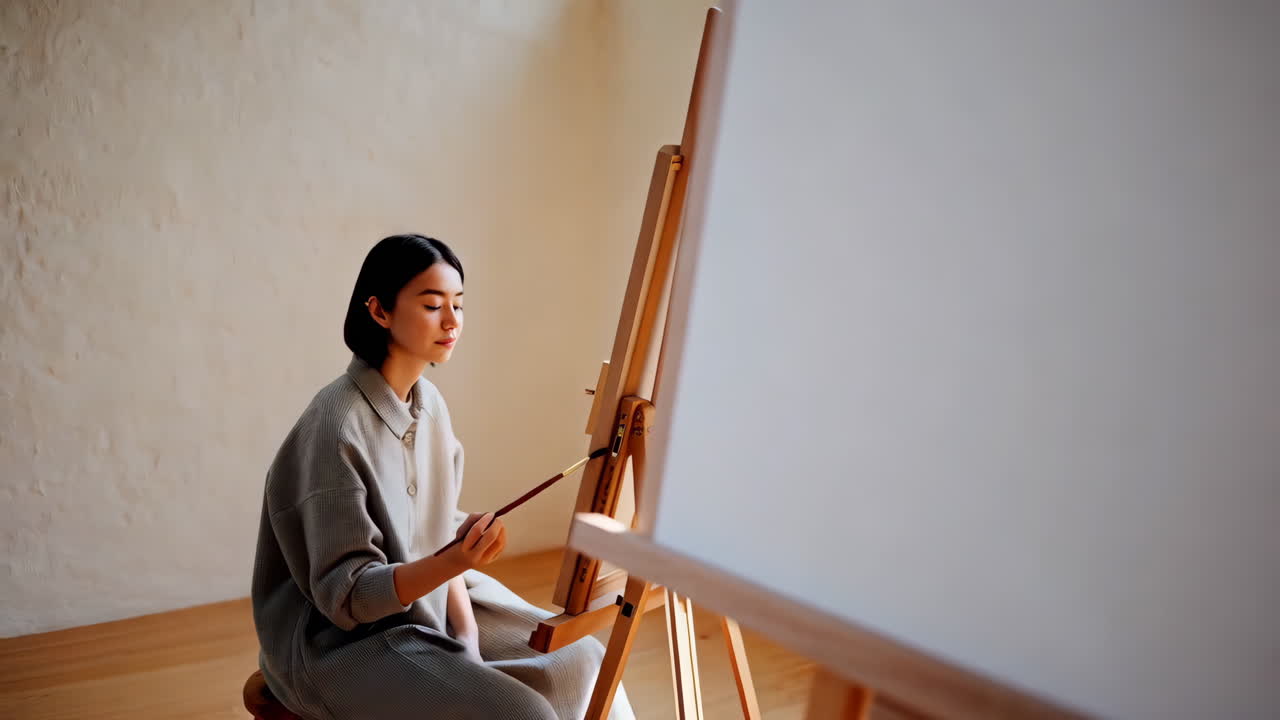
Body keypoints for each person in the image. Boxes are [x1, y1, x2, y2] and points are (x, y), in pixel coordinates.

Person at [251, 234, 633, 719]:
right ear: (380, 312)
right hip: (341, 646)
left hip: (430, 600)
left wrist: (468, 640)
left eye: (458, 304)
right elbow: (348, 599)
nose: (452, 322)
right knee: (522, 713)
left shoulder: (429, 403)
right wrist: (453, 564)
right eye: (433, 305)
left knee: (584, 665)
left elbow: (434, 533)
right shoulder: (335, 429)